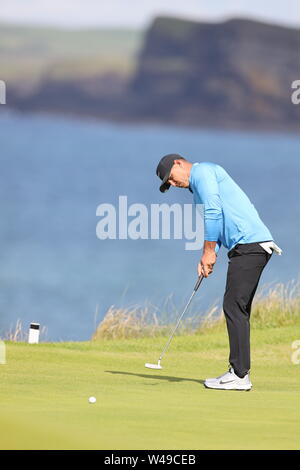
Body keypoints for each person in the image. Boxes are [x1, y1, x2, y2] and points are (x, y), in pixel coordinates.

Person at [156, 153, 282, 391]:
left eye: (171, 178)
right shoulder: (199, 189)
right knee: (237, 307)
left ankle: (239, 375)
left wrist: (208, 251)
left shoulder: (203, 172)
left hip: (250, 245)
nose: (173, 184)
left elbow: (214, 212)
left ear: (179, 164)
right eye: (169, 184)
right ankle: (239, 372)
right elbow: (220, 221)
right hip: (247, 246)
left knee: (233, 305)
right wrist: (208, 257)